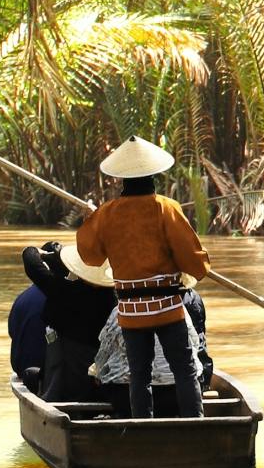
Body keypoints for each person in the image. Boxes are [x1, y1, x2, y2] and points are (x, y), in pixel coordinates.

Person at [75, 136, 210, 418]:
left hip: (130, 311)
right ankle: (195, 426)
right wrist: (199, 268)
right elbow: (195, 263)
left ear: (122, 179)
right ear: (153, 175)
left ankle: (142, 428)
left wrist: (92, 218)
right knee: (184, 370)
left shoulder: (107, 214)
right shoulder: (165, 208)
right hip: (166, 308)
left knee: (139, 375)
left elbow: (91, 256)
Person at [21, 239, 116, 402]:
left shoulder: (67, 292)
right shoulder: (112, 296)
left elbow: (33, 265)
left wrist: (36, 251)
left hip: (69, 376)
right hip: (100, 378)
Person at [90, 287, 212, 415]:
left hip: (126, 394)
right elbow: (195, 347)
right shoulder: (178, 309)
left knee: (105, 378)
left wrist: (97, 373)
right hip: (176, 394)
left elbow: (103, 353)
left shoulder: (121, 311)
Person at [8, 277, 45, 385]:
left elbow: (12, 332)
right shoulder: (61, 296)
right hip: (46, 370)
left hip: (22, 366)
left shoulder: (22, 298)